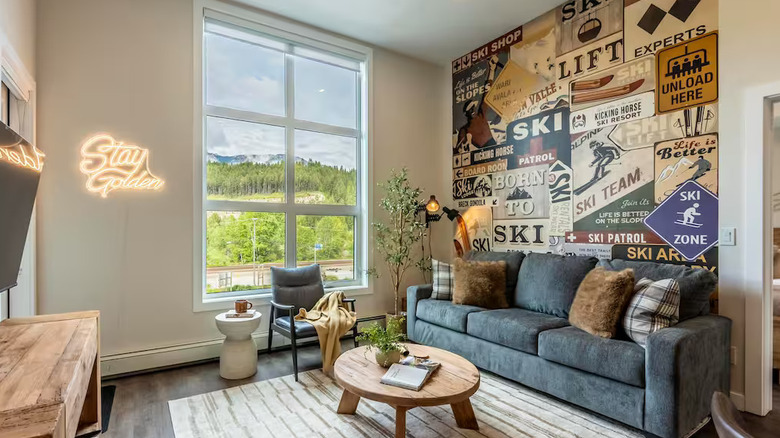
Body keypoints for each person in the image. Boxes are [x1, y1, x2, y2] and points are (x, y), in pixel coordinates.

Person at [455, 55, 503, 153]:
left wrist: (492, 70)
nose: (473, 110)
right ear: (466, 113)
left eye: (473, 107)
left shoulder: (481, 115)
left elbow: (487, 92)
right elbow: (458, 148)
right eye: (470, 109)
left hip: (493, 146)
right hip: (483, 152)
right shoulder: (464, 129)